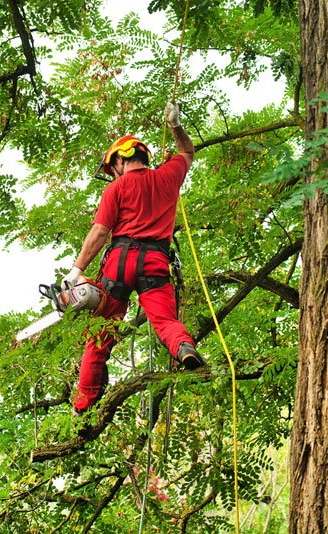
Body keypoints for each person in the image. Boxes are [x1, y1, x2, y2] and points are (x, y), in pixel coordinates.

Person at [62, 101, 206, 415]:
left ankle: (83, 406)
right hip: (154, 263)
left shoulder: (116, 189)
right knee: (166, 322)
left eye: (111, 167)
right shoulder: (168, 177)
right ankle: (184, 348)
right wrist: (175, 126)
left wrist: (77, 271)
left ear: (121, 160)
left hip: (119, 264)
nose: (112, 173)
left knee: (100, 335)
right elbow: (187, 153)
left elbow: (100, 233)